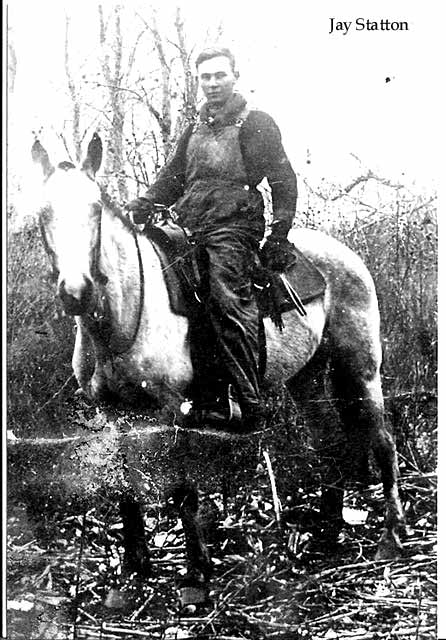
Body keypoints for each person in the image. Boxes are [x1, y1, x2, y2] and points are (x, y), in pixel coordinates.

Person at [127, 46, 297, 432]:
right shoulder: (193, 128)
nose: (213, 83)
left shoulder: (257, 123)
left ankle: (250, 403)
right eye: (205, 76)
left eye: (220, 75)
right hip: (190, 226)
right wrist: (145, 202)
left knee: (226, 298)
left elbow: (284, 180)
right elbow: (172, 180)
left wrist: (280, 232)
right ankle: (197, 392)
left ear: (235, 76)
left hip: (234, 228)